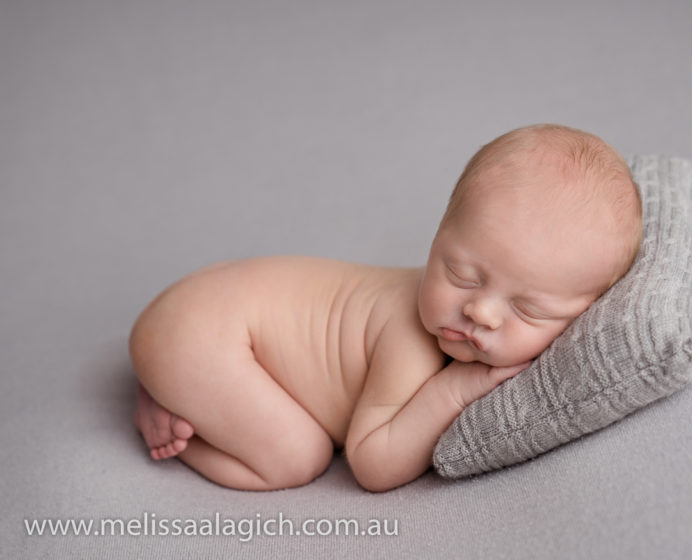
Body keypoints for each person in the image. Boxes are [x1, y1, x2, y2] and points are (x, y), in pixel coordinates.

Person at [130, 123, 642, 492]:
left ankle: (185, 386)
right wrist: (456, 390)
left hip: (207, 314)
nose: (480, 312)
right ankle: (172, 411)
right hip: (202, 331)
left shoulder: (475, 311)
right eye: (461, 274)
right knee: (295, 459)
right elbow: (372, 465)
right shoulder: (410, 338)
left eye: (528, 309)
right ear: (438, 236)